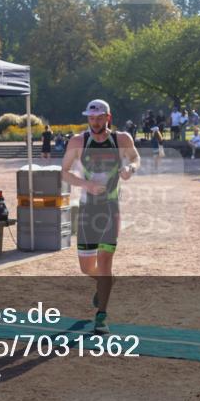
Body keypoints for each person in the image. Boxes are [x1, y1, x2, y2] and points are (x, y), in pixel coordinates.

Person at [60, 99, 139, 334]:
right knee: (87, 268)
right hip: (87, 209)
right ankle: (106, 283)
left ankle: (101, 315)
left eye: (99, 118)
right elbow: (64, 172)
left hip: (111, 208)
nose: (94, 123)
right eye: (91, 118)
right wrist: (86, 184)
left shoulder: (122, 139)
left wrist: (130, 169)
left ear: (108, 117)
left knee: (105, 263)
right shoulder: (78, 142)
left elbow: (135, 157)